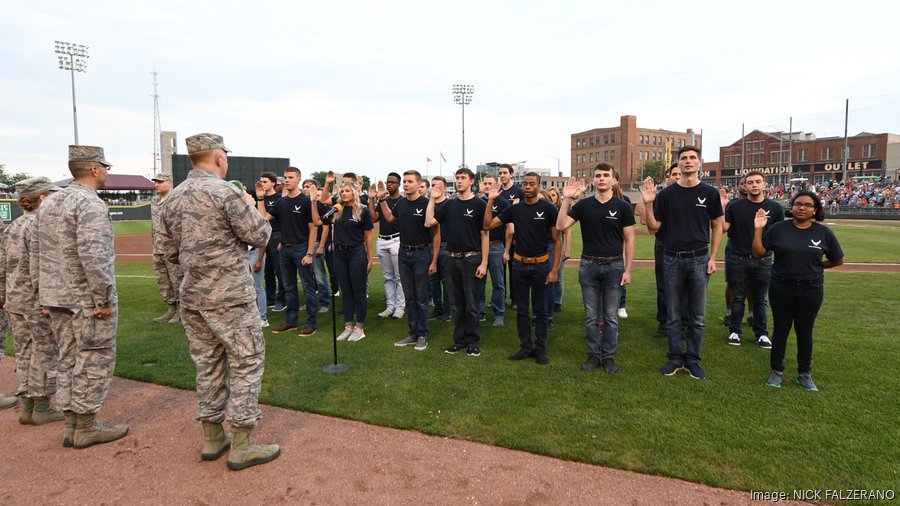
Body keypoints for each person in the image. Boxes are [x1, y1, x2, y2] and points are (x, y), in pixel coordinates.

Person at [159, 133, 279, 469]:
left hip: (193, 297)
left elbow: (168, 252)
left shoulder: (172, 198)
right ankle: (242, 442)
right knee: (246, 362)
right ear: (218, 158)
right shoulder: (225, 192)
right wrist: (247, 200)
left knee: (207, 365)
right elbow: (261, 234)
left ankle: (213, 437)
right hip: (230, 297)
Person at [33, 145, 128, 448]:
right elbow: (94, 255)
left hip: (55, 296)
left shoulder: (49, 203)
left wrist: (42, 295)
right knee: (94, 358)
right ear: (95, 169)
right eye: (106, 167)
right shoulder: (90, 204)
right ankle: (86, 425)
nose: (107, 173)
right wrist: (102, 299)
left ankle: (72, 424)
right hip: (85, 299)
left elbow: (38, 254)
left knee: (68, 359)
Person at [641, 146, 724, 380]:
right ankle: (675, 358)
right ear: (678, 164)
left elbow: (717, 225)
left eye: (692, 158)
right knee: (674, 315)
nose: (688, 162)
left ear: (699, 163)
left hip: (699, 259)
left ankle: (693, 360)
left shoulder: (710, 193)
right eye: (684, 158)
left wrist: (713, 258)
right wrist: (648, 203)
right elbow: (653, 228)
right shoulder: (666, 195)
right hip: (671, 259)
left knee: (697, 317)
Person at [752, 191, 844, 391]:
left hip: (811, 289)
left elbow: (838, 259)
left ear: (815, 210)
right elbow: (758, 253)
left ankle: (804, 374)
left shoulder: (823, 233)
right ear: (791, 207)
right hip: (781, 287)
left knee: (804, 331)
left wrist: (818, 267)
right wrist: (758, 229)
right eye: (797, 204)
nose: (802, 208)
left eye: (808, 205)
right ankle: (776, 371)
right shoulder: (778, 229)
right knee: (781, 330)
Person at [557, 165, 635, 373]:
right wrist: (566, 199)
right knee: (591, 316)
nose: (601, 179)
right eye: (598, 176)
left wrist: (627, 270)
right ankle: (593, 355)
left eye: (606, 175)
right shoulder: (583, 206)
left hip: (614, 265)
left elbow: (629, 239)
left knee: (610, 316)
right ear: (593, 180)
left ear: (614, 181)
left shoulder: (623, 206)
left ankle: (608, 356)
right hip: (589, 265)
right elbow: (560, 225)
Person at [0, 177, 65, 423]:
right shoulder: (41, 225)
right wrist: (47, 300)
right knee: (44, 351)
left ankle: (28, 405)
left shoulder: (13, 226)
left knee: (24, 351)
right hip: (36, 300)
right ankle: (42, 406)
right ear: (41, 198)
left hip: (15, 299)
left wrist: (3, 296)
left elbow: (2, 265)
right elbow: (44, 266)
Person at [485, 172, 560, 364]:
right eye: (525, 184)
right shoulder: (514, 209)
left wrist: (554, 270)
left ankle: (540, 349)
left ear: (538, 185)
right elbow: (488, 225)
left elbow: (557, 241)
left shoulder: (549, 208)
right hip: (519, 265)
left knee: (541, 310)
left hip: (542, 265)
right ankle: (526, 347)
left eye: (531, 184)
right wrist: (490, 201)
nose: (527, 187)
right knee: (522, 310)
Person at [428, 168, 488, 357]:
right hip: (451, 259)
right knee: (456, 304)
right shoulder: (449, 205)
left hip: (472, 259)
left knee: (471, 304)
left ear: (471, 181)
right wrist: (432, 199)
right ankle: (459, 341)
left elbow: (485, 234)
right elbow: (429, 222)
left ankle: (473, 342)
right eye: (457, 178)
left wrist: (484, 262)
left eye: (463, 178)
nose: (459, 181)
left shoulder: (479, 204)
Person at [375, 171, 437, 351]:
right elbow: (389, 218)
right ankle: (412, 333)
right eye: (406, 181)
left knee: (421, 298)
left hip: (421, 253)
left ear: (419, 184)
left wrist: (433, 261)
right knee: (410, 297)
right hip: (404, 252)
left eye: (410, 181)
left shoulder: (426, 204)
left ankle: (422, 334)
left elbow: (436, 233)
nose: (406, 184)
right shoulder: (401, 203)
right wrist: (381, 200)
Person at [723, 171, 782, 348]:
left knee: (760, 299)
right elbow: (724, 227)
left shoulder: (776, 208)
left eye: (758, 182)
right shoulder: (735, 206)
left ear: (765, 184)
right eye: (750, 182)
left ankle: (761, 334)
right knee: (738, 297)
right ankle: (735, 331)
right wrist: (720, 208)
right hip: (739, 258)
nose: (754, 185)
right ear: (745, 186)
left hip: (764, 260)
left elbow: (779, 235)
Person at [259, 167, 321, 336]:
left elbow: (313, 229)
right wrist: (259, 198)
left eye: (290, 177)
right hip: (284, 250)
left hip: (301, 249)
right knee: (289, 287)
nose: (287, 180)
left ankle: (311, 323)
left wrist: (309, 253)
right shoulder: (281, 202)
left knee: (308, 287)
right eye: (285, 177)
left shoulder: (306, 201)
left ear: (299, 179)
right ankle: (291, 321)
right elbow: (263, 219)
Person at [313, 180, 373, 342]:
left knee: (358, 291)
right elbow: (319, 219)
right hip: (339, 255)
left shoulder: (363, 211)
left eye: (347, 190)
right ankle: (348, 326)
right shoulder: (336, 210)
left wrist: (369, 259)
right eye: (342, 191)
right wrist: (325, 185)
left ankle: (359, 327)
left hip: (356, 254)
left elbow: (368, 237)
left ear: (354, 192)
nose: (344, 193)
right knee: (345, 291)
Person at [635, 163, 680, 338]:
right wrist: (645, 196)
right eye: (673, 174)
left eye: (679, 173)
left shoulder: (692, 195)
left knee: (685, 288)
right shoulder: (660, 196)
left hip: (685, 247)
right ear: (667, 177)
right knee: (663, 287)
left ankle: (683, 324)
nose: (676, 176)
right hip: (663, 245)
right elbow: (643, 219)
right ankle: (664, 323)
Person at [367, 172, 405, 320]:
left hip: (396, 240)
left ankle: (400, 307)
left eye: (393, 182)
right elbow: (374, 218)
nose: (389, 184)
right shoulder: (384, 200)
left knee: (399, 277)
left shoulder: (402, 201)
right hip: (382, 240)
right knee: (388, 277)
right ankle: (390, 305)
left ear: (398, 184)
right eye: (388, 181)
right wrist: (371, 199)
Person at [150, 174, 184, 323]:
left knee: (177, 279)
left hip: (172, 248)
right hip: (157, 248)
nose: (156, 184)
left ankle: (181, 310)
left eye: (159, 182)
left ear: (169, 183)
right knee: (163, 279)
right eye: (155, 182)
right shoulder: (154, 200)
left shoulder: (177, 199)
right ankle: (171, 308)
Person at [479, 174, 510, 327]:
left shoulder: (503, 203)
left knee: (498, 283)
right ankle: (479, 312)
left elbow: (509, 229)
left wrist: (507, 250)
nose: (487, 186)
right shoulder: (477, 203)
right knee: (479, 281)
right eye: (485, 183)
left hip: (497, 247)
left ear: (497, 185)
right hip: (478, 248)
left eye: (490, 183)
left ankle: (499, 313)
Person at [257, 171, 286, 312]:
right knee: (267, 271)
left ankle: (282, 299)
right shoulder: (260, 198)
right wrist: (259, 199)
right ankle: (270, 299)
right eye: (261, 181)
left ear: (273, 183)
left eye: (265, 181)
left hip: (276, 236)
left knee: (279, 270)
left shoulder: (279, 198)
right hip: (264, 237)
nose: (262, 184)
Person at [303, 179, 331, 314]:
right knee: (307, 277)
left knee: (319, 276)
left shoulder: (321, 205)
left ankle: (325, 302)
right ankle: (310, 302)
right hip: (304, 244)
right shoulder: (303, 203)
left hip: (316, 244)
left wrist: (321, 246)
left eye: (308, 186)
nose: (305, 188)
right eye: (303, 186)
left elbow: (325, 227)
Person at [426, 176, 450, 322]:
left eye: (438, 185)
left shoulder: (450, 204)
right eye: (433, 185)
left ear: (445, 188)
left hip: (446, 247)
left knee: (447, 281)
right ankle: (438, 308)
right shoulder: (429, 205)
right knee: (433, 280)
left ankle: (447, 310)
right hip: (429, 247)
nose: (435, 188)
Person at [545, 187, 570, 315]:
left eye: (554, 195)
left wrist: (568, 250)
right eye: (550, 195)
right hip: (546, 246)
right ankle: (548, 302)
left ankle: (557, 302)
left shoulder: (560, 211)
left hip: (558, 246)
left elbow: (567, 231)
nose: (552, 198)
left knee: (558, 276)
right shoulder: (544, 210)